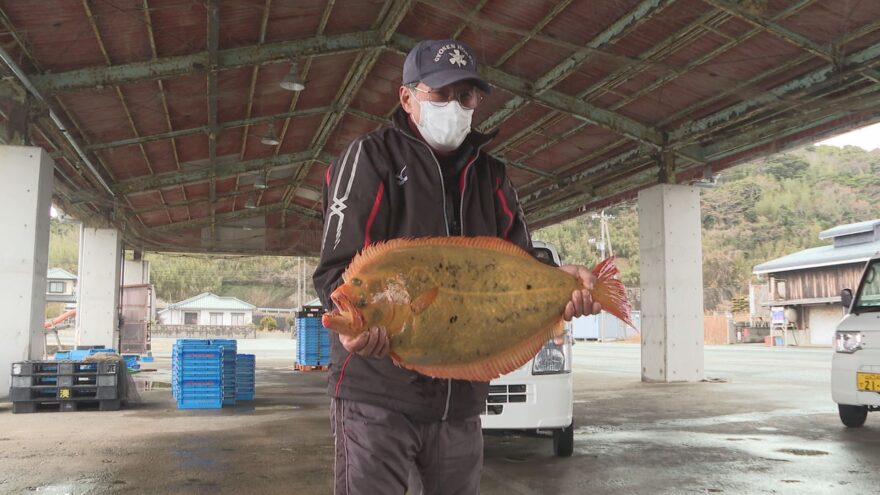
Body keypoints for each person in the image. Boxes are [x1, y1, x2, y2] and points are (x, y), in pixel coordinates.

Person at [313, 39, 601, 495]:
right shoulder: (370, 159)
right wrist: (351, 326)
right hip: (377, 398)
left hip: (461, 403)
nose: (455, 106)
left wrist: (563, 286)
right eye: (440, 94)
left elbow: (520, 264)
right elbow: (336, 270)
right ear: (407, 98)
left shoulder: (492, 176)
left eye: (466, 97)